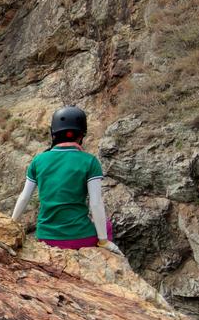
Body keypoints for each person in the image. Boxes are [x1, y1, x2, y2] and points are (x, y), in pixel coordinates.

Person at [11, 106, 123, 254]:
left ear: (54, 134)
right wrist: (103, 241)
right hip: (82, 237)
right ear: (81, 135)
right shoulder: (89, 161)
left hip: (47, 237)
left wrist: (11, 225)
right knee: (106, 225)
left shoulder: (38, 161)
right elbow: (95, 203)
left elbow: (25, 197)